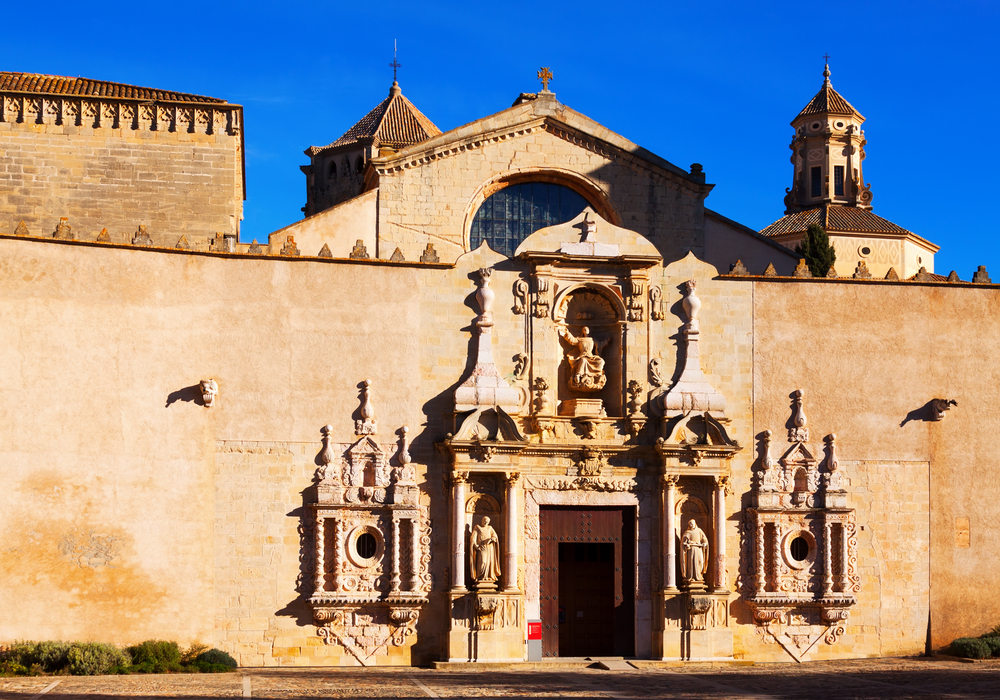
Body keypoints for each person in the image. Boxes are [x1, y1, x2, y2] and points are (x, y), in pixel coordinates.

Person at [559, 326, 608, 391]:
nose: (586, 330)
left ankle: (598, 375)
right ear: (582, 331)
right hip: (582, 356)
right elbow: (572, 340)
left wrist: (607, 341)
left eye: (587, 329)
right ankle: (578, 375)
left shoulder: (592, 339)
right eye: (584, 329)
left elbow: (600, 344)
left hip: (591, 357)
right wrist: (567, 333)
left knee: (601, 361)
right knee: (583, 360)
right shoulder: (580, 339)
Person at [470, 516, 501, 586]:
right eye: (484, 520)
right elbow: (473, 538)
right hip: (481, 547)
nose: (485, 522)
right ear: (481, 520)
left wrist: (491, 539)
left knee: (489, 563)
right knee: (482, 562)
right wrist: (476, 545)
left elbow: (495, 537)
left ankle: (488, 577)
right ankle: (480, 576)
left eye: (487, 521)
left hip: (489, 548)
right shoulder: (477, 528)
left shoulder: (490, 528)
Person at [680, 519, 709, 585]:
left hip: (698, 549)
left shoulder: (699, 531)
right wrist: (686, 545)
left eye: (692, 523)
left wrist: (704, 543)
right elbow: (683, 543)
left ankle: (699, 576)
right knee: (691, 563)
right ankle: (691, 577)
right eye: (690, 524)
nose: (692, 525)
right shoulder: (687, 532)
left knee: (700, 562)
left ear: (695, 523)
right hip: (690, 550)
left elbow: (704, 539)